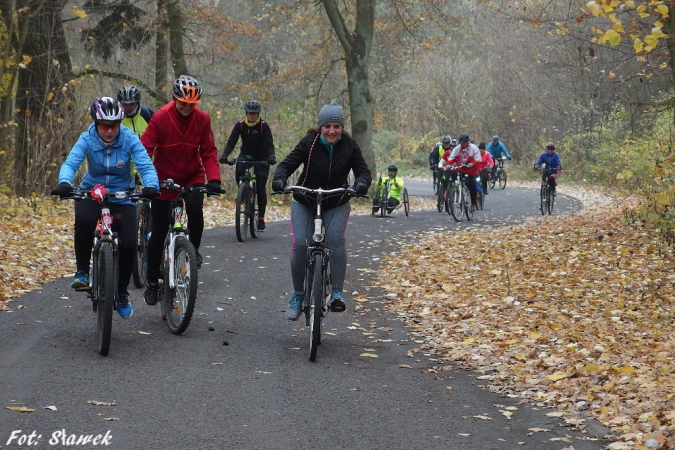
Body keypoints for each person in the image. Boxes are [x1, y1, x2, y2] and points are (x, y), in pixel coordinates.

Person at [54, 97, 160, 318]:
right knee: (84, 221)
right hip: (91, 192)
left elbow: (144, 164)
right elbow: (71, 163)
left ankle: (121, 293)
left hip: (123, 195)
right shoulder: (87, 138)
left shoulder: (129, 138)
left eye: (114, 126)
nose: (110, 131)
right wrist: (65, 182)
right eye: (104, 126)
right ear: (96, 124)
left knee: (130, 244)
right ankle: (82, 272)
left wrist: (151, 185)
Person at [271, 102, 371, 321]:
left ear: (342, 127)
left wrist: (362, 184)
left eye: (336, 126)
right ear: (320, 127)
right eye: (328, 126)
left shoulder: (350, 146)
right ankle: (297, 294)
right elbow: (287, 164)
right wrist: (279, 179)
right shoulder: (309, 143)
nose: (332, 131)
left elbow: (363, 172)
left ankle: (336, 292)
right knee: (300, 245)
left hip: (336, 201)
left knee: (335, 240)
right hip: (305, 200)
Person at [140, 75, 222, 306]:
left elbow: (208, 151)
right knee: (159, 230)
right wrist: (146, 180)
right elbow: (144, 149)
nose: (187, 108)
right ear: (174, 99)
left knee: (196, 208)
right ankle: (153, 282)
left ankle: (192, 251)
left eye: (192, 104)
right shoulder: (160, 118)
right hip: (162, 177)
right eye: (183, 103)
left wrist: (213, 179)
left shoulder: (203, 119)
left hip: (191, 175)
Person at [218, 99, 276, 231]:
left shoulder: (263, 126)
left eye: (254, 113)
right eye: (250, 113)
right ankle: (243, 193)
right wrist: (225, 155)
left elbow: (269, 144)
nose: (252, 115)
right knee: (239, 169)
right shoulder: (240, 125)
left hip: (262, 157)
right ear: (246, 113)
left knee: (260, 186)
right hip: (246, 154)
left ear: (258, 113)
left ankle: (260, 218)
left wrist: (271, 156)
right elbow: (231, 142)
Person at [438, 133, 482, 212]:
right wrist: (448, 165)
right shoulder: (457, 148)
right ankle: (460, 199)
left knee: (472, 186)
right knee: (459, 183)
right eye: (461, 143)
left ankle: (473, 203)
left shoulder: (473, 148)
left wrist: (473, 163)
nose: (462, 144)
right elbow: (451, 158)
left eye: (464, 143)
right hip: (461, 169)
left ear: (467, 142)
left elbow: (478, 158)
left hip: (472, 170)